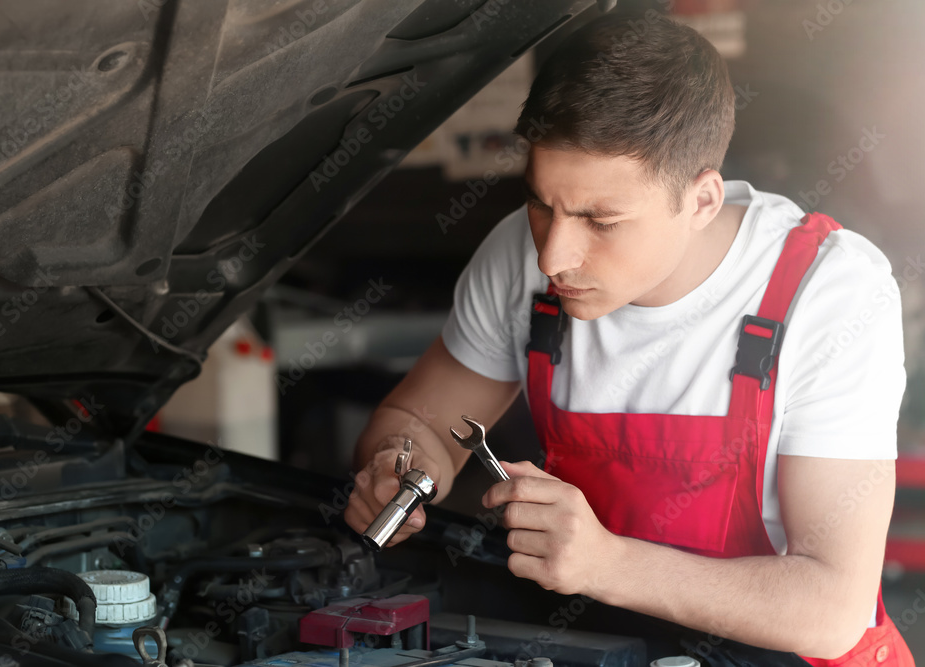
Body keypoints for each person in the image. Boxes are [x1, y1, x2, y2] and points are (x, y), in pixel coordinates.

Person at [344, 12, 913, 666]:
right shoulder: (518, 254)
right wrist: (399, 460)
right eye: (541, 203)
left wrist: (608, 562)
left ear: (701, 201)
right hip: (610, 641)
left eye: (600, 219)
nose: (555, 255)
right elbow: (420, 417)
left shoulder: (829, 292)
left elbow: (831, 606)